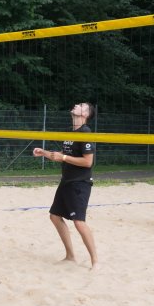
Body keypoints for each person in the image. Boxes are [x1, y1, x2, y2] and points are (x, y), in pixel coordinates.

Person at [33, 102, 98, 270]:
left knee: (79, 222)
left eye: (81, 105)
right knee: (55, 216)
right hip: (67, 181)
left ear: (85, 114)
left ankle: (95, 262)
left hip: (80, 183)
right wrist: (44, 153)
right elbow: (64, 155)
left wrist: (63, 158)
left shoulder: (85, 133)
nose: (76, 105)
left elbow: (88, 162)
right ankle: (70, 256)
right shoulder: (70, 132)